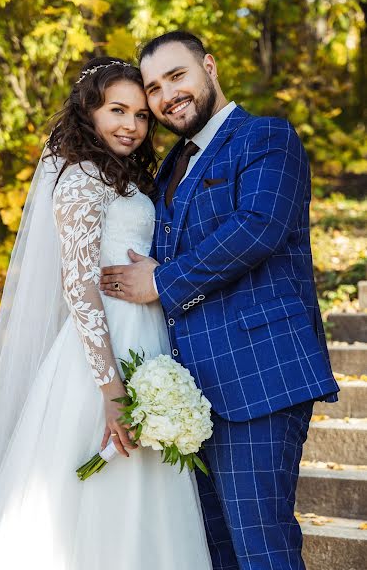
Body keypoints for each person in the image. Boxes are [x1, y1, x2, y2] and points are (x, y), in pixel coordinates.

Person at [0, 57, 212, 570]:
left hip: (147, 335)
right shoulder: (80, 178)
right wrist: (112, 392)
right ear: (89, 111)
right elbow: (78, 286)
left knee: (147, 488)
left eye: (141, 116)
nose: (131, 126)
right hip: (101, 355)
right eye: (117, 110)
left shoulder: (124, 179)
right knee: (95, 490)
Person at [99, 33, 340, 570]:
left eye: (177, 76)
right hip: (186, 395)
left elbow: (258, 228)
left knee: (261, 548)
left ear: (209, 66)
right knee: (213, 554)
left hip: (258, 377)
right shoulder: (167, 168)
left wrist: (163, 282)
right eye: (154, 88)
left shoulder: (266, 138)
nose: (167, 96)